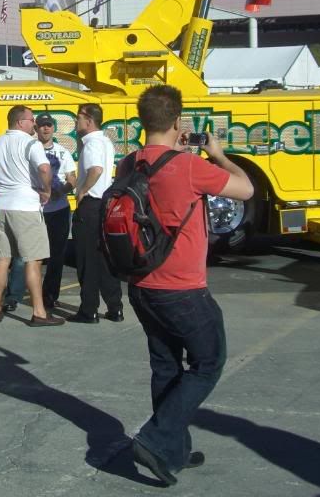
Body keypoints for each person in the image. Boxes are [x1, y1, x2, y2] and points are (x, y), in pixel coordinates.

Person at [121, 84, 254, 486]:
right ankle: (157, 438)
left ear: (143, 121)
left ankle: (173, 448)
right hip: (182, 288)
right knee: (208, 362)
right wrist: (217, 155)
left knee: (165, 364)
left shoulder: (128, 163)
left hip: (142, 283)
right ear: (178, 121)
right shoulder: (191, 166)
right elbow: (245, 189)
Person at [0, 105, 65, 326]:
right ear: (21, 122)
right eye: (32, 120)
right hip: (25, 207)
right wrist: (47, 191)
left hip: (0, 206)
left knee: (3, 259)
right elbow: (44, 168)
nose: (35, 124)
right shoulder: (31, 143)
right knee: (33, 260)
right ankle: (39, 312)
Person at [3, 113, 76, 311]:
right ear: (36, 128)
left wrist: (61, 191)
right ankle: (13, 296)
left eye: (49, 125)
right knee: (23, 255)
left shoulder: (63, 152)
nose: (46, 128)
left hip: (59, 210)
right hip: (33, 210)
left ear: (54, 128)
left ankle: (50, 297)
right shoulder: (29, 149)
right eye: (42, 125)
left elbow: (72, 178)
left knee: (56, 256)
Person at [69, 102, 123, 324]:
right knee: (104, 258)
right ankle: (115, 307)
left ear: (89, 120)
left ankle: (88, 309)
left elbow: (96, 170)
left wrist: (81, 191)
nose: (76, 122)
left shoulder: (91, 143)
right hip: (104, 204)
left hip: (91, 204)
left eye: (79, 118)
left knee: (86, 259)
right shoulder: (106, 141)